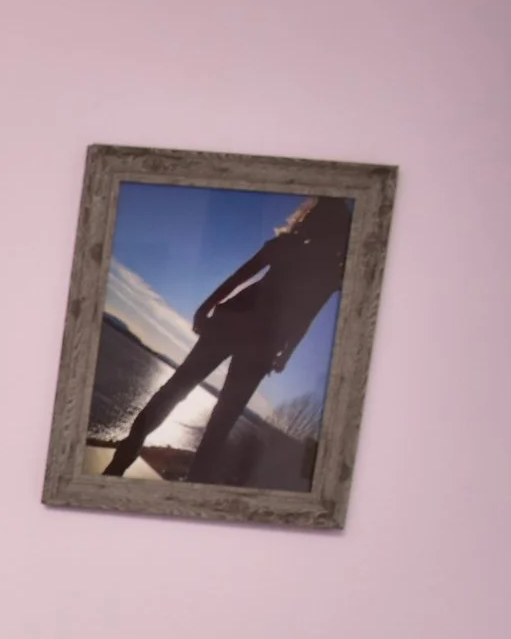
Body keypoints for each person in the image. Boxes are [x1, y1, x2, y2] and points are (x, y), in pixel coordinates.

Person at [102, 195, 352, 483]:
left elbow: (241, 279)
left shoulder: (291, 249)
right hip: (260, 339)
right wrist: (285, 354)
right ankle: (179, 479)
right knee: (216, 417)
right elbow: (304, 315)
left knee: (178, 391)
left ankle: (121, 463)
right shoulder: (323, 270)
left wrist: (207, 306)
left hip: (240, 327)